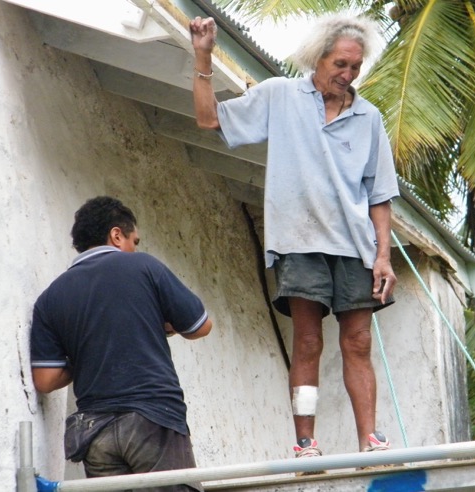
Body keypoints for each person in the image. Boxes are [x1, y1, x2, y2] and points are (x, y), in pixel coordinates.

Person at [190, 13, 399, 461]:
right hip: (298, 242)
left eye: (355, 67)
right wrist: (203, 57)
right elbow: (208, 119)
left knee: (358, 342)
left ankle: (370, 439)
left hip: (354, 248)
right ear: (316, 58)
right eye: (340, 64)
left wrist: (383, 256)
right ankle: (305, 443)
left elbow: (380, 196)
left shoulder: (369, 118)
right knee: (307, 341)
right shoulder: (280, 95)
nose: (347, 74)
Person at [30, 196, 212, 492]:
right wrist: (157, 326)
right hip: (152, 417)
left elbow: (45, 379)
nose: (135, 248)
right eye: (134, 241)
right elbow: (200, 326)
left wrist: (88, 348)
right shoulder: (143, 266)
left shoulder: (50, 298)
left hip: (93, 432)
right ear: (116, 235)